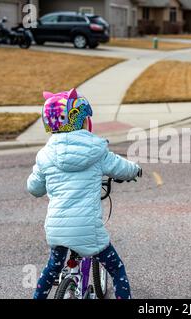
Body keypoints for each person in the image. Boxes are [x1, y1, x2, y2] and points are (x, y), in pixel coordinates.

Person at [27, 88, 141, 299]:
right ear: (81, 120)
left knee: (51, 269)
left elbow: (34, 188)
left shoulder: (44, 156)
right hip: (87, 229)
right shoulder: (96, 151)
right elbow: (122, 168)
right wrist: (136, 170)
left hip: (56, 229)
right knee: (117, 270)